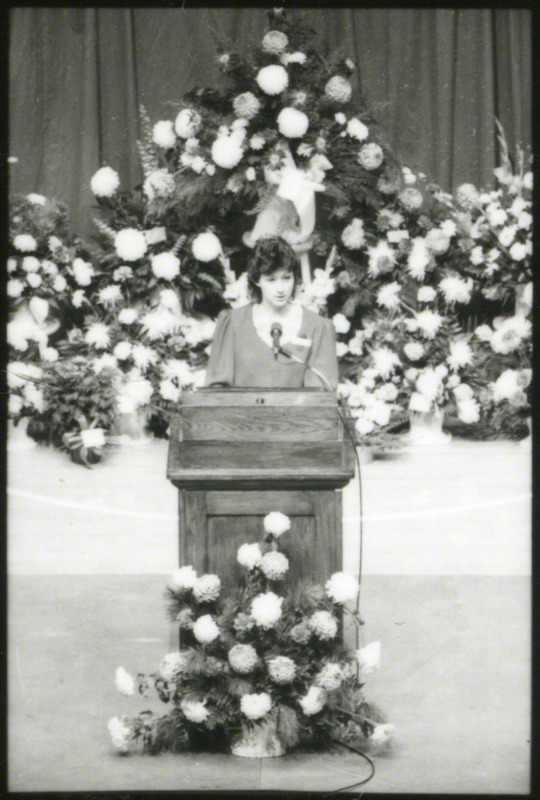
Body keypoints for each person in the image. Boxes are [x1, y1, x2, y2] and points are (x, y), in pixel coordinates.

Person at [205, 236, 339, 389]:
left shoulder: (318, 327)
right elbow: (216, 392)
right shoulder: (233, 323)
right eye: (271, 280)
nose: (280, 288)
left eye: (286, 278)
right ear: (256, 280)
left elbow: (320, 399)